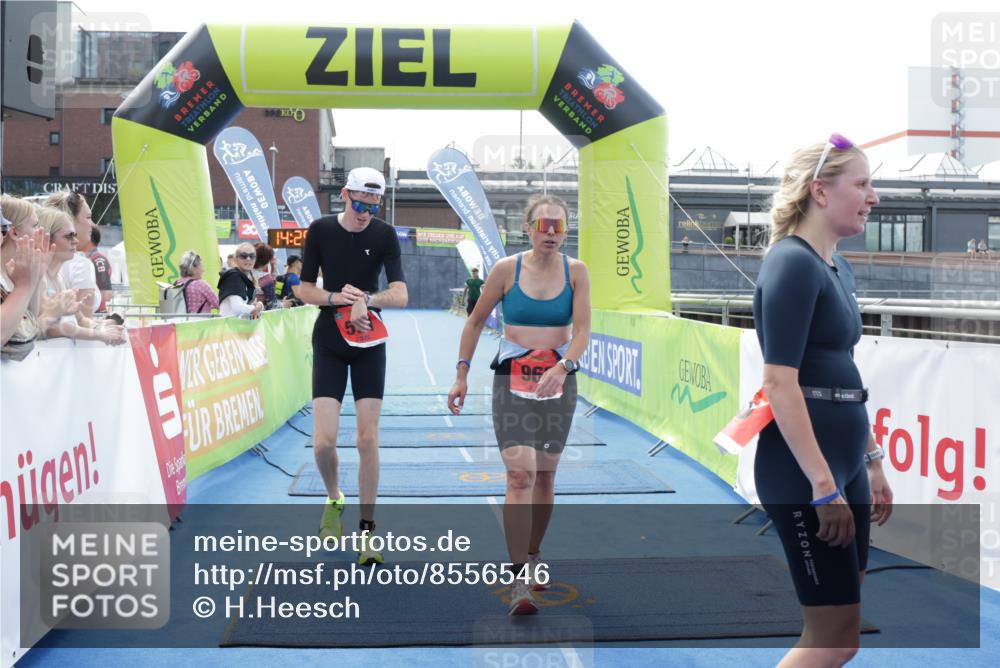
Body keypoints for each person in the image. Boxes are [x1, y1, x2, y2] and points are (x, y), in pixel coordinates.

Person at [752, 133, 893, 667]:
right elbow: (779, 383)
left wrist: (871, 460)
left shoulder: (836, 266)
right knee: (834, 638)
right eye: (862, 183)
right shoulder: (792, 264)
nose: (873, 197)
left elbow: (845, 375)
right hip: (806, 473)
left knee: (842, 629)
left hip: (844, 465)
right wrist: (823, 486)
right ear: (820, 191)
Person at [448, 194, 591, 616]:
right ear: (527, 228)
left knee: (545, 478)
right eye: (543, 224)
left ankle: (533, 554)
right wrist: (461, 373)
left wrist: (563, 367)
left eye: (559, 226)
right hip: (511, 381)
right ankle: (516, 581)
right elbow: (474, 322)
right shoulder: (505, 270)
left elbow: (582, 331)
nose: (551, 232)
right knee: (520, 475)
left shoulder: (577, 272)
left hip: (558, 383)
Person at [296, 166, 408, 565]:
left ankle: (367, 530)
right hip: (329, 340)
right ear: (344, 195)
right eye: (360, 204)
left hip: (368, 343)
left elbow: (400, 292)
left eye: (373, 206)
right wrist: (336, 299)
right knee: (324, 442)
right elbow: (304, 288)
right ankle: (334, 498)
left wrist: (368, 300)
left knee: (366, 439)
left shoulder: (383, 234)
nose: (365, 213)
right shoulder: (321, 229)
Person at [36, 207, 126, 345]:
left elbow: (80, 319)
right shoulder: (39, 279)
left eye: (75, 235)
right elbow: (50, 328)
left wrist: (103, 327)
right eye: (69, 236)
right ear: (47, 239)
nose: (76, 241)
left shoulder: (58, 278)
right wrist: (99, 334)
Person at [1, 196, 50, 358]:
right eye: (35, 226)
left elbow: (29, 327)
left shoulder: (14, 274)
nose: (40, 232)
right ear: (14, 232)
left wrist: (35, 279)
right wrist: (24, 287)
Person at [46, 191, 100, 318]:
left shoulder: (38, 260)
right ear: (71, 220)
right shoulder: (81, 265)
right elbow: (83, 319)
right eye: (88, 217)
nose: (92, 224)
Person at [217, 243, 263, 319]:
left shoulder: (243, 277)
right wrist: (259, 306)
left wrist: (253, 306)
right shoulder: (233, 277)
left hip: (239, 327)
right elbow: (237, 308)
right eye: (243, 256)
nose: (248, 259)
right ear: (236, 259)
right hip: (230, 328)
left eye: (252, 256)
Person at [87, 225, 112, 313]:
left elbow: (106, 294)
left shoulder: (98, 260)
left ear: (89, 238)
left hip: (97, 312)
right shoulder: (91, 259)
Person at [253, 243, 280, 309]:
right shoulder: (266, 279)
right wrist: (285, 304)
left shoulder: (245, 273)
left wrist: (273, 268)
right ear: (269, 259)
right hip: (259, 316)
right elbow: (274, 306)